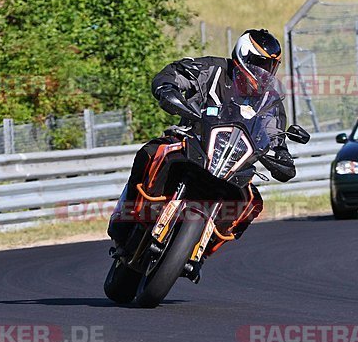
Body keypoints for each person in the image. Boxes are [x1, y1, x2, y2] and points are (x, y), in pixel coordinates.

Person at [107, 29, 296, 250]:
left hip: (236, 165)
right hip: (191, 141)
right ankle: (125, 213)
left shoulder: (271, 102)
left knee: (251, 202)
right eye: (258, 64)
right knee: (151, 152)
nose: (263, 72)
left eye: (269, 67)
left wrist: (281, 155)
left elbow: (275, 137)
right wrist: (167, 87)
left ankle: (204, 249)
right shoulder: (213, 70)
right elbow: (176, 73)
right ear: (243, 57)